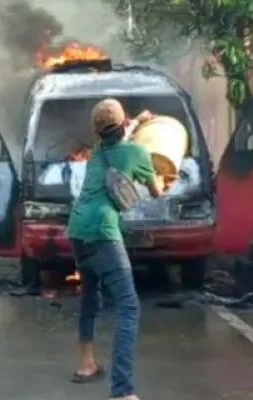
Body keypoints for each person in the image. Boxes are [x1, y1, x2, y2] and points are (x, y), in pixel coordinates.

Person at [66, 99, 175, 400]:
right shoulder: (138, 153)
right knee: (129, 306)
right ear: (123, 122)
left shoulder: (97, 153)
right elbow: (155, 191)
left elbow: (119, 137)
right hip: (103, 232)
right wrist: (163, 182)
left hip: (77, 230)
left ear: (96, 131)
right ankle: (122, 391)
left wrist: (137, 121)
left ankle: (86, 364)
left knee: (91, 294)